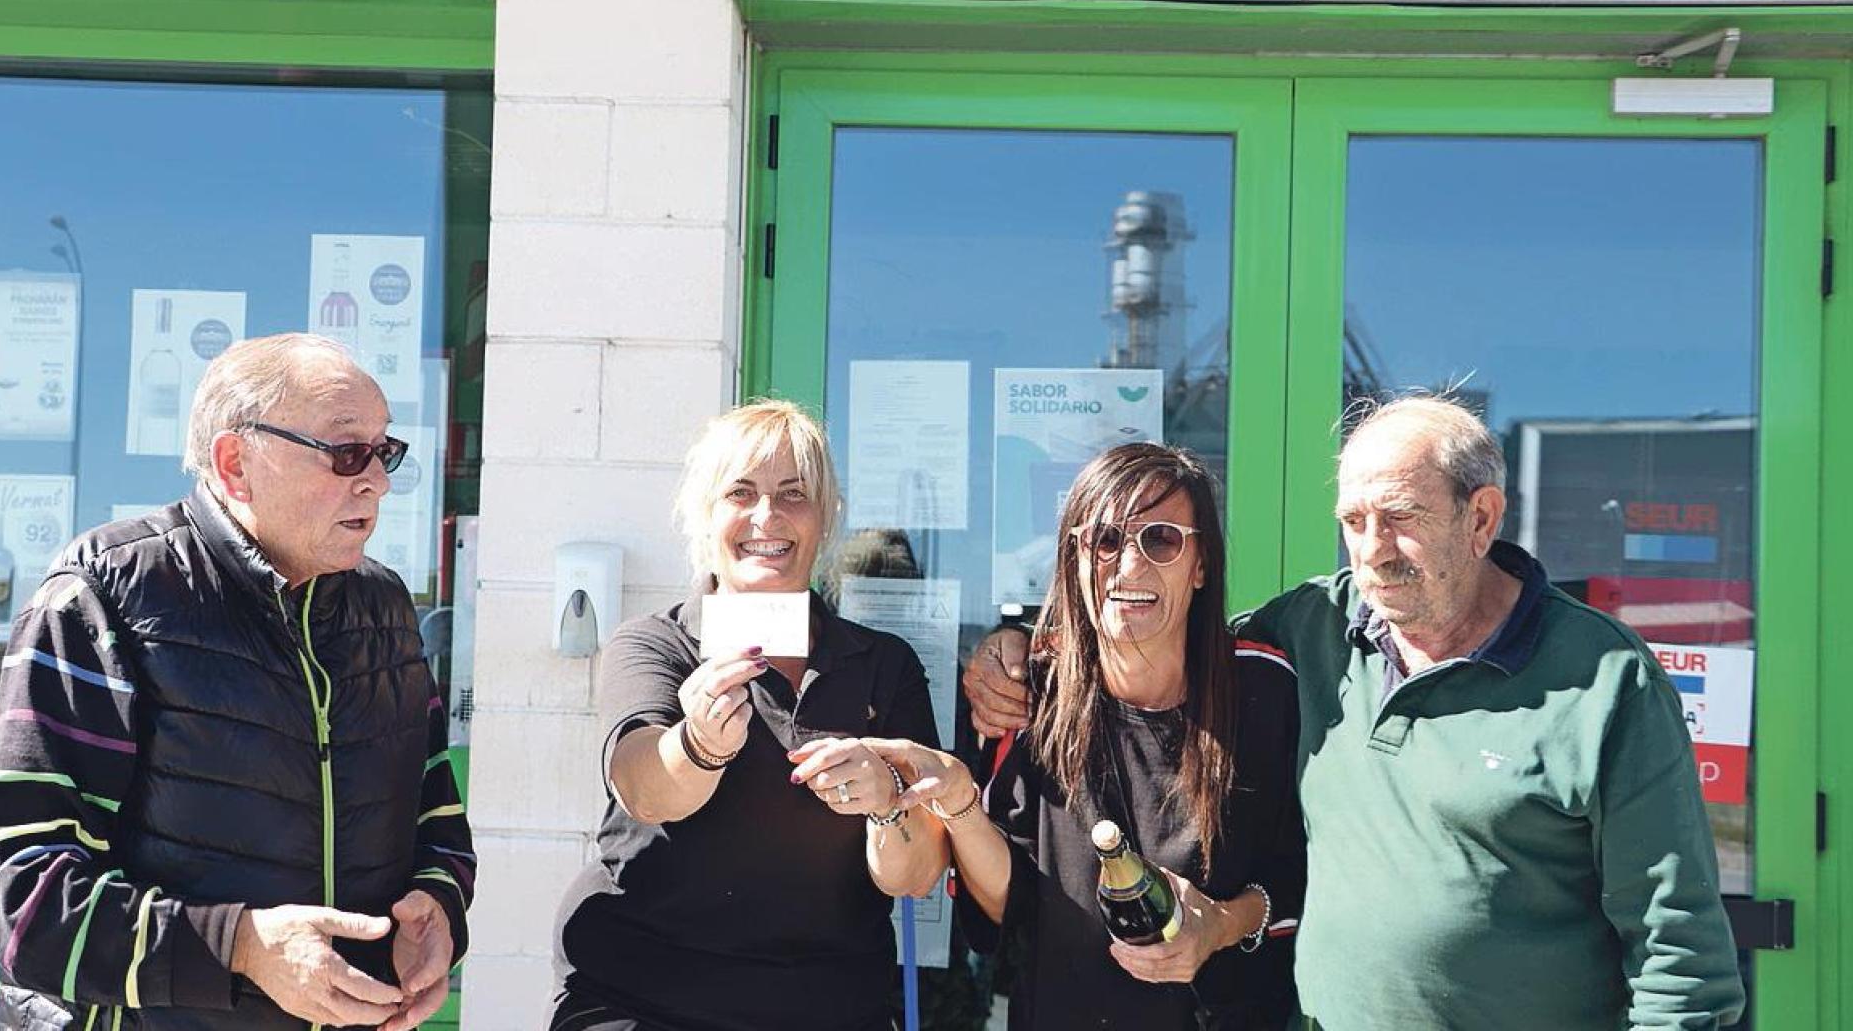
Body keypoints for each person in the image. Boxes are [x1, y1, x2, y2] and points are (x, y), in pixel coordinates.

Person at [965, 397, 1746, 1029]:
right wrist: (1020, 648)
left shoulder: (1604, 681)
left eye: (1400, 516)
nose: (1372, 549)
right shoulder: (1312, 630)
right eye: (1353, 521)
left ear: (1481, 519)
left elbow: (1679, 955)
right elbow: (1148, 623)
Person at [0, 334, 475, 1030]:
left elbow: (436, 817)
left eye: (386, 453)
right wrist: (240, 947)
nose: (377, 482)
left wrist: (437, 908)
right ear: (236, 463)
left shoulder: (384, 612)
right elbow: (21, 897)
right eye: (347, 452)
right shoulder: (103, 597)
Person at [870, 443, 1302, 1030]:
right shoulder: (1029, 693)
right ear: (1074, 557)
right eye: (1105, 540)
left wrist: (1220, 925)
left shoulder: (1264, 690)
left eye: (1163, 539)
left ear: (1201, 564)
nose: (1130, 566)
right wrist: (959, 803)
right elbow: (1008, 908)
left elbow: (1300, 876)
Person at [551, 399, 949, 1031]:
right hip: (643, 996)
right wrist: (699, 744)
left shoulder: (883, 665)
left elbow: (916, 873)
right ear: (705, 516)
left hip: (828, 1006)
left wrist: (887, 800)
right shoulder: (656, 643)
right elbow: (641, 786)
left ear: (825, 519)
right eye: (741, 492)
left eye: (794, 494)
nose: (768, 516)